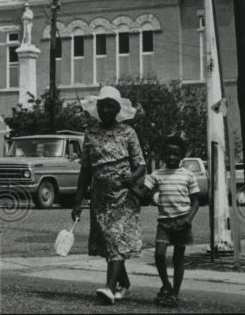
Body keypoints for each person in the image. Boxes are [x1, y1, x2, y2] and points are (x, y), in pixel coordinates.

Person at [71, 85, 146, 305]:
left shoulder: (128, 133)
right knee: (108, 242)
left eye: (111, 106)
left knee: (115, 237)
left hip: (123, 196)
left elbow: (141, 165)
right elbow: (85, 170)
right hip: (100, 197)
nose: (106, 110)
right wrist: (77, 203)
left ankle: (110, 288)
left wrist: (131, 179)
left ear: (117, 109)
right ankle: (125, 283)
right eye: (103, 106)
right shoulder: (91, 134)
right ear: (98, 107)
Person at [131, 134, 200, 308]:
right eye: (168, 154)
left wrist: (189, 219)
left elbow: (196, 200)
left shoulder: (188, 175)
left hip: (182, 221)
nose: (171, 157)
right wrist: (130, 184)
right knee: (159, 255)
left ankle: (174, 294)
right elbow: (142, 194)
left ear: (182, 156)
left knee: (178, 259)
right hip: (164, 222)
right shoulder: (157, 175)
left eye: (175, 154)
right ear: (163, 155)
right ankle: (166, 285)